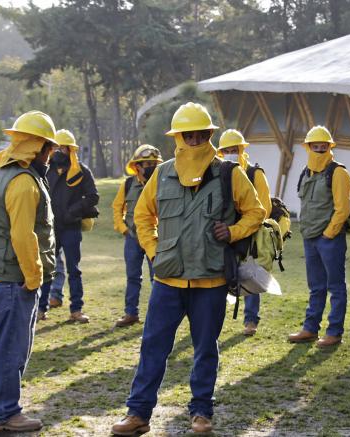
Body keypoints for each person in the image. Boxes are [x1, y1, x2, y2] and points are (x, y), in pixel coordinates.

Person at [111, 102, 265, 435]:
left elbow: (257, 211)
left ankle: (201, 412)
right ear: (177, 138)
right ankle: (138, 414)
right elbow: (141, 216)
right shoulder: (161, 173)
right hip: (168, 280)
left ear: (210, 135)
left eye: (200, 135)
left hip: (210, 280)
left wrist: (234, 231)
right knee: (153, 346)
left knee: (205, 348)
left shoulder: (229, 173)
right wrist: (154, 251)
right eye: (187, 135)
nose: (194, 141)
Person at [0, 110, 58, 431]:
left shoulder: (5, 174)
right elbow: (23, 236)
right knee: (12, 350)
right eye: (49, 148)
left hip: (1, 276)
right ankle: (5, 414)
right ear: (37, 147)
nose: (51, 155)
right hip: (14, 279)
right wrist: (34, 277)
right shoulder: (23, 182)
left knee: (4, 347)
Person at [288, 125, 350, 348]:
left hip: (329, 239)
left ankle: (334, 332)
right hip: (309, 237)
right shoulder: (306, 172)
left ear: (330, 147)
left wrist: (328, 234)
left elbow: (342, 209)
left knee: (335, 287)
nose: (319, 150)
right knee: (316, 286)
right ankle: (310, 329)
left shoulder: (339, 172)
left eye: (324, 147)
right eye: (315, 147)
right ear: (308, 147)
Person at [37, 129, 99, 323]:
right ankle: (40, 309)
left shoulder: (81, 170)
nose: (59, 151)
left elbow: (93, 197)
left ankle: (76, 309)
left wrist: (73, 211)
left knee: (74, 269)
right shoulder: (45, 169)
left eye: (63, 148)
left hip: (71, 227)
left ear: (71, 149)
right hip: (50, 228)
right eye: (56, 147)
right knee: (47, 268)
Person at [217, 128, 272, 336]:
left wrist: (245, 226)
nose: (231, 152)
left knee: (249, 276)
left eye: (234, 149)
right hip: (226, 233)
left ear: (242, 150)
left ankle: (250, 320)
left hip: (250, 233)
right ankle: (214, 317)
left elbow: (264, 207)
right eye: (227, 150)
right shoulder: (220, 173)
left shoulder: (254, 173)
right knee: (221, 275)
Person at [112, 144, 163, 327]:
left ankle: (157, 316)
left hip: (155, 238)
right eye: (146, 163)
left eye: (154, 163)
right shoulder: (127, 185)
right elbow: (117, 208)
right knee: (133, 277)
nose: (151, 167)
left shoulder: (163, 183)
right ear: (137, 166)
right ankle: (130, 313)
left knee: (157, 278)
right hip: (133, 238)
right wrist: (123, 229)